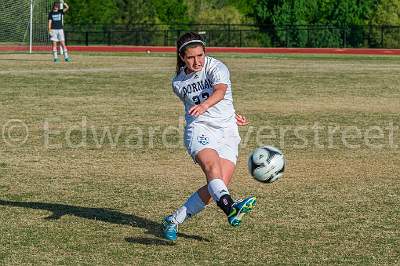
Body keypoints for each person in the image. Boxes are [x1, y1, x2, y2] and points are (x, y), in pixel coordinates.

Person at [162, 32, 256, 241]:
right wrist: (204, 110)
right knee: (212, 169)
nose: (197, 61)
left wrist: (229, 114)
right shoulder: (178, 82)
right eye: (191, 57)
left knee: (218, 185)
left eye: (200, 55)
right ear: (182, 57)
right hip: (199, 128)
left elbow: (221, 91)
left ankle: (173, 220)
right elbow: (197, 105)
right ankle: (231, 208)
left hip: (228, 131)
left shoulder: (216, 67)